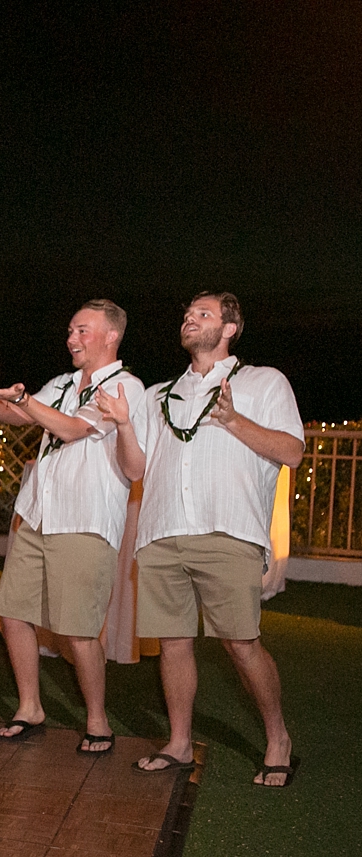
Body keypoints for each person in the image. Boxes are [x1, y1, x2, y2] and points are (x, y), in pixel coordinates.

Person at [100, 292, 303, 786]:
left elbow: (292, 452)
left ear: (230, 327)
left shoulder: (263, 382)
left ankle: (278, 739)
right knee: (173, 644)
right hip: (162, 532)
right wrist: (126, 426)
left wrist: (234, 420)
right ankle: (179, 743)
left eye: (204, 314)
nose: (190, 318)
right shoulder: (156, 395)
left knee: (241, 643)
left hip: (229, 531)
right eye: (188, 314)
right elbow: (135, 468)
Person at [0, 300, 146, 754]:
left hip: (83, 521)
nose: (72, 339)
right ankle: (30, 707)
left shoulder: (126, 387)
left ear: (111, 336)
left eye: (82, 331)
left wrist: (25, 401)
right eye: (70, 330)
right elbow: (20, 415)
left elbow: (71, 429)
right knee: (12, 614)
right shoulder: (64, 383)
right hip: (37, 515)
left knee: (78, 629)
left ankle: (97, 721)